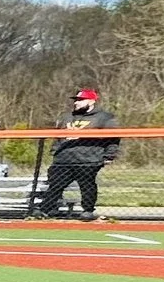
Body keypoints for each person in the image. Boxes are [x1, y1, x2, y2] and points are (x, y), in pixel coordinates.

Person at [39, 87, 121, 218]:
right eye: (76, 100)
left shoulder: (104, 118)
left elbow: (113, 138)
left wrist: (109, 155)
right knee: (55, 185)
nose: (76, 103)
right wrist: (55, 150)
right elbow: (58, 136)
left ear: (91, 101)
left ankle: (88, 210)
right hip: (64, 158)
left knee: (87, 185)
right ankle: (47, 208)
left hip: (89, 159)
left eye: (81, 100)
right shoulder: (67, 117)